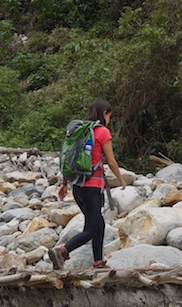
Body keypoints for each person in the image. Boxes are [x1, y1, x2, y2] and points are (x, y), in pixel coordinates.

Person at [49, 98, 127, 269]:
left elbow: (71, 158)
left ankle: (98, 262)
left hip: (78, 188)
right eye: (110, 115)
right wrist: (121, 180)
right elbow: (111, 161)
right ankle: (62, 251)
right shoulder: (102, 132)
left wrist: (64, 184)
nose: (110, 119)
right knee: (91, 228)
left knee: (99, 224)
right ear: (105, 113)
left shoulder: (82, 131)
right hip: (92, 189)